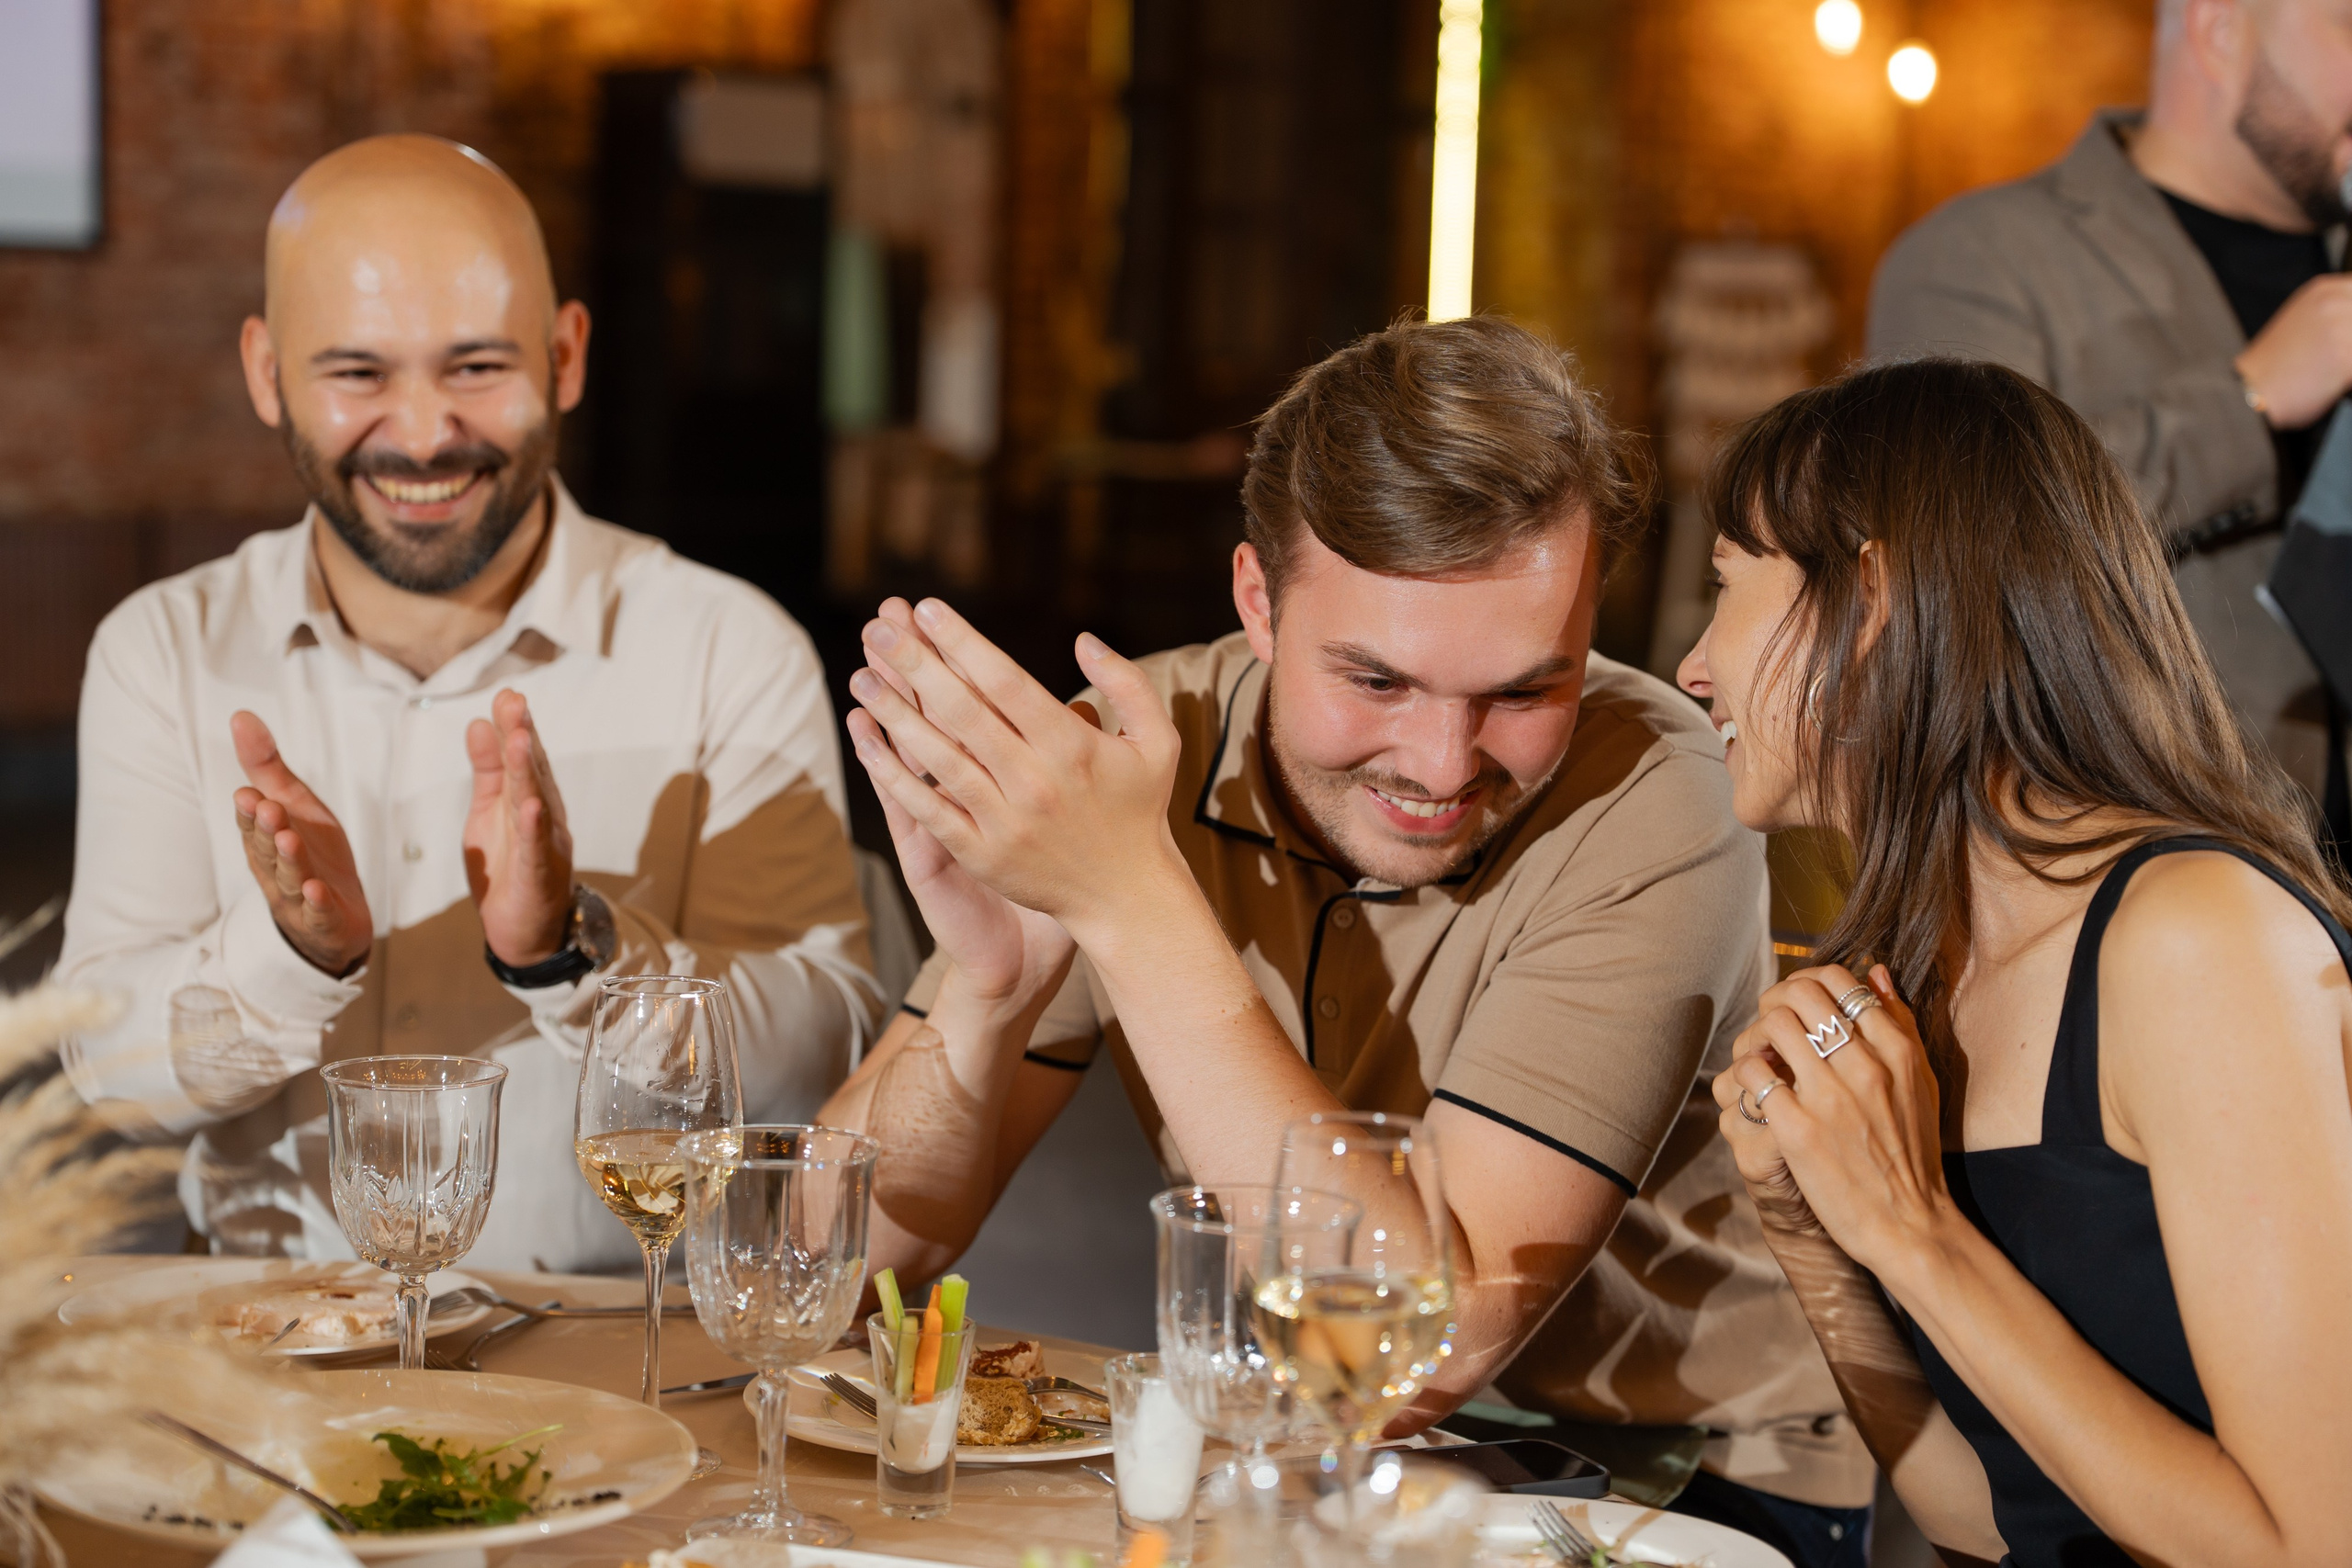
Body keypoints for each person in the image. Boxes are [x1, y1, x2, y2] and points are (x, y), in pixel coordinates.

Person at [822, 318, 1877, 1567]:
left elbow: (1417, 1354)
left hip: (1691, 1485)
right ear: (1257, 601)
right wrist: (988, 996)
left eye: (1526, 689)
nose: (1443, 763)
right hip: (1316, 1456)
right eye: (1377, 681)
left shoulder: (1665, 789)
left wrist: (1131, 904)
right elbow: (829, 1276)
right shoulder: (1136, 751)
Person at [58, 135, 885, 1269]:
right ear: (265, 373)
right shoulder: (163, 650)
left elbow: (825, 1070)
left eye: (477, 368)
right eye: (357, 374)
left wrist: (570, 950)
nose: (422, 433)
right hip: (266, 1372)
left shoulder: (726, 647)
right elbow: (102, 1083)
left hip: (620, 1381)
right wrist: (290, 957)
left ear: (566, 354)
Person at [1681, 357, 2352, 1568]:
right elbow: (1977, 1510)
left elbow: (2314, 1542)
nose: (1692, 665)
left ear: (1867, 594)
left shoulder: (2198, 939)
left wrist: (1914, 1230)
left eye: (1725, 586)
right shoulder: (1927, 963)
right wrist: (1809, 1228)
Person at [1866, 0, 2352, 836]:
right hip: (2166, 881)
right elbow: (1959, 556)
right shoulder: (1981, 257)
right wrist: (2247, 402)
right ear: (2221, 29)